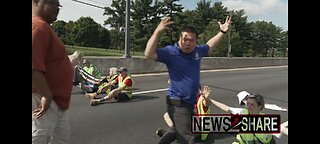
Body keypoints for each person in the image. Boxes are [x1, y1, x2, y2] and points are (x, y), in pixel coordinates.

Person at [144, 15, 231, 143]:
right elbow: (149, 54)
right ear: (180, 39)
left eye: (191, 40)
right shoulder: (170, 52)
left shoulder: (197, 51)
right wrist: (157, 31)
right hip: (178, 103)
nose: (188, 43)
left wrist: (222, 32)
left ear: (196, 41)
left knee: (177, 129)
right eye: (185, 39)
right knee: (187, 138)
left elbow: (209, 45)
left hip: (190, 103)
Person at [32, 0, 73, 143]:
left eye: (58, 5)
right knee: (39, 138)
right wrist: (46, 95)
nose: (57, 8)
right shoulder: (38, 26)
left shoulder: (45, 28)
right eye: (52, 3)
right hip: (44, 99)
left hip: (57, 102)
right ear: (36, 2)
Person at [209, 94, 275, 144]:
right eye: (248, 103)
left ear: (259, 106)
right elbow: (226, 108)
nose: (248, 106)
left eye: (252, 104)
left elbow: (282, 130)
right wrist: (210, 100)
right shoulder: (242, 112)